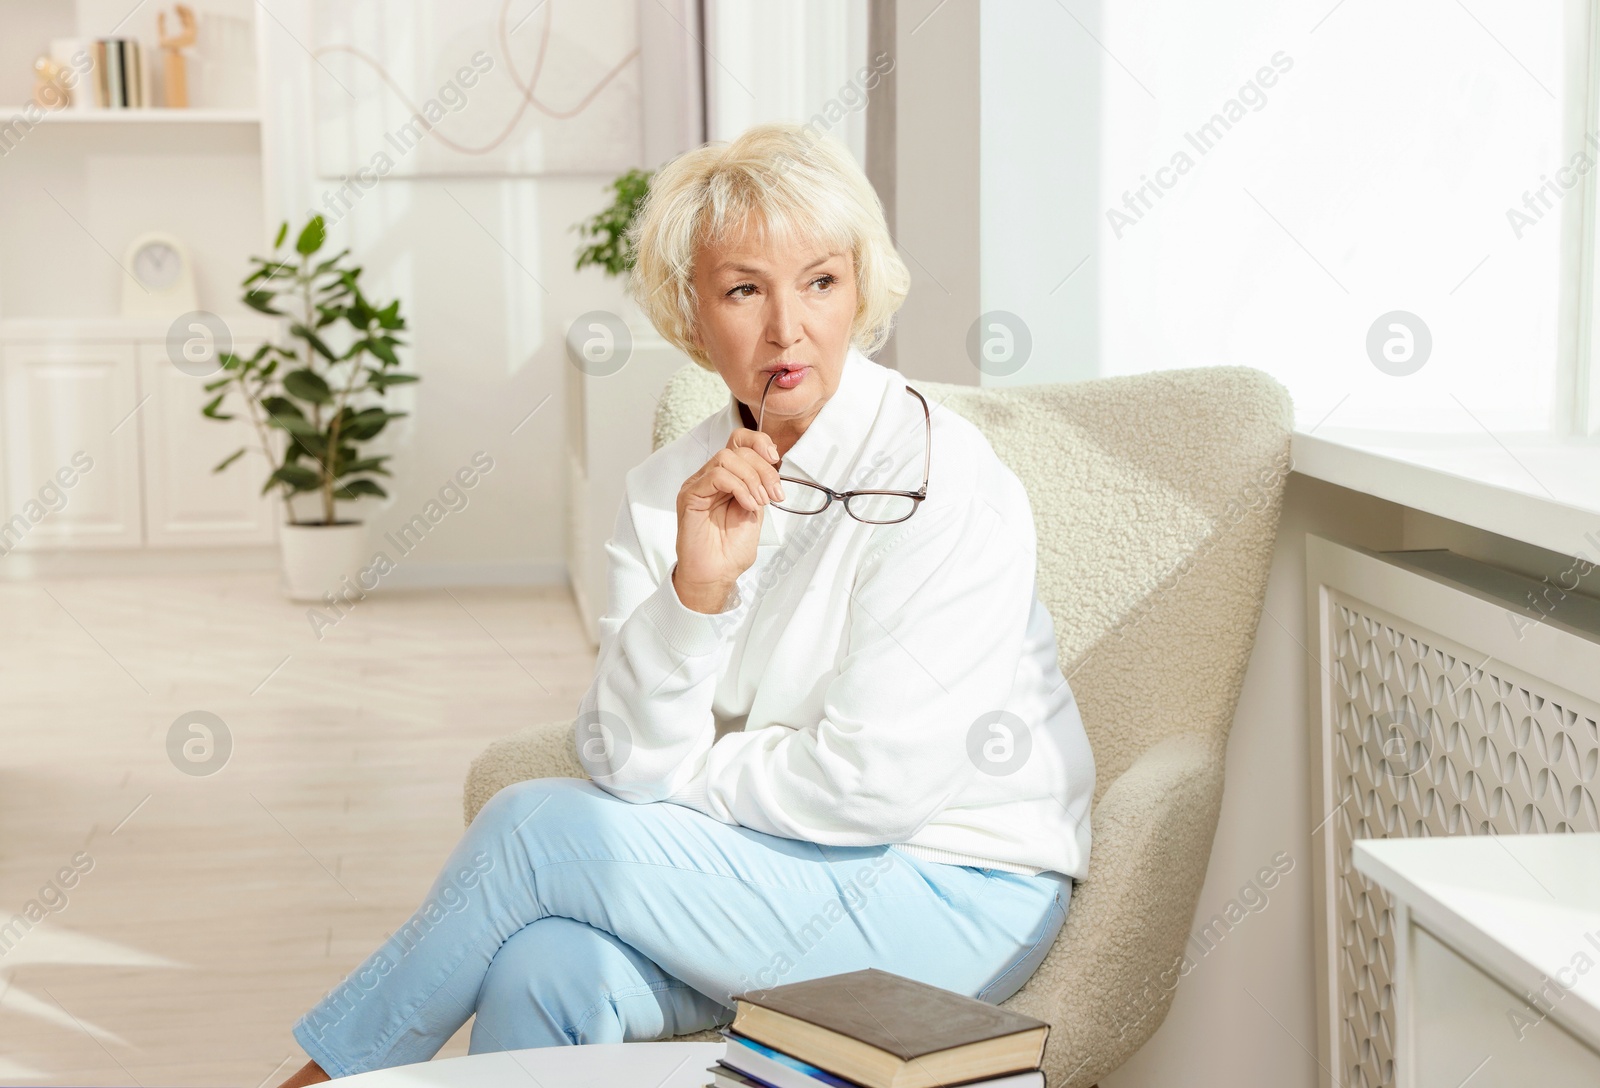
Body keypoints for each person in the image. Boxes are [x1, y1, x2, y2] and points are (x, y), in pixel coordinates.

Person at [275, 121, 1094, 1084]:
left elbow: (875, 786)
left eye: (820, 282)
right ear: (690, 312)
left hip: (953, 892)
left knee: (533, 827)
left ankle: (317, 1082)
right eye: (745, 289)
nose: (787, 328)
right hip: (763, 875)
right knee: (546, 970)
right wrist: (694, 596)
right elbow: (624, 760)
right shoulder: (667, 487)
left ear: (861, 289)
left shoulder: (943, 475)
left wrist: (692, 780)